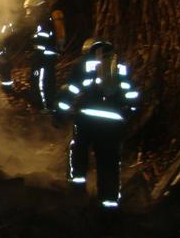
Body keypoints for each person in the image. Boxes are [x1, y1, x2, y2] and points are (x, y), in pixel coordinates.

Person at [57, 39, 139, 209]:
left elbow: (71, 90)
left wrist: (60, 113)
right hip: (113, 123)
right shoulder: (120, 67)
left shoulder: (85, 66)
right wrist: (129, 113)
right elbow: (132, 95)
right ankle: (109, 203)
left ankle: (77, 187)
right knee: (109, 161)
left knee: (78, 150)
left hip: (87, 118)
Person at [25, 0, 65, 113]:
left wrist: (34, 51)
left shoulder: (42, 22)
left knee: (41, 82)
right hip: (43, 56)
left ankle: (44, 107)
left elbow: (42, 40)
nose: (28, 12)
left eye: (29, 9)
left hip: (43, 57)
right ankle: (43, 105)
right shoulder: (43, 20)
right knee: (44, 81)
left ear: (36, 8)